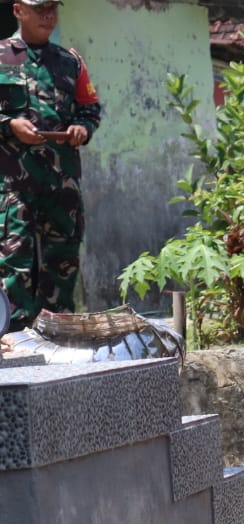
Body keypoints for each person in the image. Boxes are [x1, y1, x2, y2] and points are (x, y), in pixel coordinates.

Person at [0, 0, 101, 331]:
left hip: (62, 186)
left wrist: (82, 128)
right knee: (14, 267)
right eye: (39, 8)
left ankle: (57, 339)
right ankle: (13, 342)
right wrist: (8, 124)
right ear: (18, 10)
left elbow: (89, 108)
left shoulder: (70, 62)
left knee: (63, 264)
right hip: (13, 187)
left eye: (52, 8)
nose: (48, 15)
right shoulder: (0, 56)